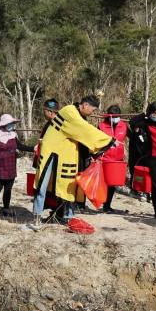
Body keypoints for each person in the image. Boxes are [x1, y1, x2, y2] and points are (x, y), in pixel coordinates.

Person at [32, 96, 115, 228]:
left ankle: (66, 216)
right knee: (43, 183)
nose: (92, 113)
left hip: (66, 155)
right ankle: (36, 218)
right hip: (52, 153)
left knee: (69, 186)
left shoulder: (78, 114)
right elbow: (86, 130)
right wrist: (108, 141)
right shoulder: (70, 112)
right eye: (92, 110)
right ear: (85, 105)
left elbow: (82, 133)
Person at [0, 114, 34, 217]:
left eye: (12, 124)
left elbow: (20, 146)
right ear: (4, 124)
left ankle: (6, 208)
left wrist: (33, 149)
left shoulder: (13, 135)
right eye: (10, 123)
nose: (12, 125)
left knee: (8, 189)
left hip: (10, 166)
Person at [98, 105, 128, 213]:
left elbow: (132, 136)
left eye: (117, 116)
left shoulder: (124, 126)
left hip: (117, 160)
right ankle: (99, 201)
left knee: (112, 183)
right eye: (113, 116)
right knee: (103, 182)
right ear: (108, 116)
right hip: (104, 159)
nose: (115, 118)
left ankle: (107, 206)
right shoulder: (101, 126)